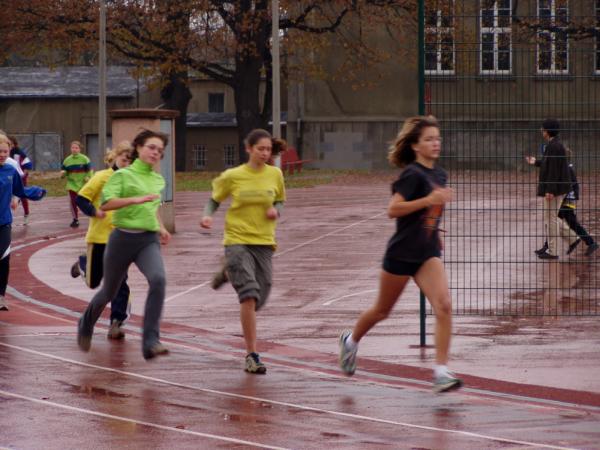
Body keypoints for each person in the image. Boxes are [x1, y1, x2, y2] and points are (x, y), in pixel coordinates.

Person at [338, 116, 462, 393]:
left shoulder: (440, 175)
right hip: (402, 253)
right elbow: (393, 210)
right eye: (429, 139)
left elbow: (430, 214)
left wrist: (435, 230)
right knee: (382, 310)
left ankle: (441, 372)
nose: (435, 143)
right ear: (416, 146)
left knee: (444, 305)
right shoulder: (412, 175)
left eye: (437, 138)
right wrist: (429, 200)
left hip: (426, 253)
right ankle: (351, 341)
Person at [77, 129, 171, 360]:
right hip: (121, 239)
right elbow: (106, 203)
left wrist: (161, 227)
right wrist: (134, 199)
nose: (155, 152)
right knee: (109, 291)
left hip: (147, 240)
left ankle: (151, 341)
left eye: (160, 150)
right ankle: (85, 324)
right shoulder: (121, 176)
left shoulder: (157, 179)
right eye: (151, 147)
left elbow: (152, 207)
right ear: (138, 148)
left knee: (158, 279)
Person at [200, 129, 286, 374]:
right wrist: (207, 215)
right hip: (237, 239)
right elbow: (214, 199)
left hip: (264, 241)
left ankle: (228, 271)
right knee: (249, 295)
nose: (265, 153)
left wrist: (276, 210)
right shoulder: (233, 175)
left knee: (261, 294)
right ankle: (252, 355)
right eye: (260, 149)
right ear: (249, 149)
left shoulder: (275, 174)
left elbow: (280, 200)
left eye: (268, 149)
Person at [71, 142, 133, 340]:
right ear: (115, 157)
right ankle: (83, 264)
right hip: (99, 237)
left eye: (131, 161)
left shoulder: (133, 181)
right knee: (93, 283)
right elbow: (81, 199)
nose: (127, 164)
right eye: (124, 160)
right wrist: (94, 212)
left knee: (120, 282)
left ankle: (116, 322)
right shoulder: (101, 177)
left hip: (121, 239)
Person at [0, 134, 46, 311]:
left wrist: (36, 192)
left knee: (4, 258)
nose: (2, 155)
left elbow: (20, 191)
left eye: (5, 151)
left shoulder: (10, 170)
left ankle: (1, 297)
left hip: (4, 222)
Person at [526, 119, 578, 260]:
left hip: (555, 189)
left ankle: (554, 251)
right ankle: (572, 238)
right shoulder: (554, 145)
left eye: (543, 129)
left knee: (551, 219)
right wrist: (536, 162)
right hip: (557, 187)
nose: (541, 131)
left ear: (547, 131)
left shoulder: (554, 146)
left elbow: (554, 170)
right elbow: (550, 164)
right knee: (551, 217)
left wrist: (550, 190)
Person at [534, 150, 598, 257]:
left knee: (557, 221)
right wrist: (536, 162)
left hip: (566, 200)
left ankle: (588, 242)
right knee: (555, 222)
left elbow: (567, 185)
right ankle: (548, 246)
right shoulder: (565, 167)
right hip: (565, 199)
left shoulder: (566, 169)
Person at [61, 141, 92, 228]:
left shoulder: (85, 159)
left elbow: (90, 171)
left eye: (76, 148)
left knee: (85, 202)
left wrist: (88, 177)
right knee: (73, 202)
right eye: (72, 148)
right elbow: (63, 173)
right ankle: (75, 219)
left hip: (83, 184)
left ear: (79, 149)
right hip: (72, 184)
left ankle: (92, 216)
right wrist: (63, 174)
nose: (74, 149)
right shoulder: (67, 160)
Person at [8, 136, 33, 225]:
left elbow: (28, 165)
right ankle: (7, 216)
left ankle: (26, 213)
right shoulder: (5, 153)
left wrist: (22, 175)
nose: (9, 146)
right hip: (9, 178)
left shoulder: (19, 153)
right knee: (8, 196)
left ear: (14, 144)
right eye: (8, 144)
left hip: (20, 178)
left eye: (11, 144)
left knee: (22, 196)